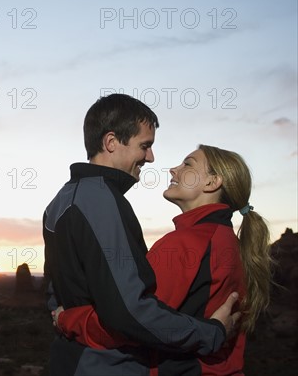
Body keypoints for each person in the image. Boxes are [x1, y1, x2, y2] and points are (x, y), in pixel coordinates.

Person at [43, 94, 240, 375]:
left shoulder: (59, 202)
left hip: (70, 360)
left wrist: (65, 320)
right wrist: (213, 333)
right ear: (111, 142)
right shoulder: (101, 201)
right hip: (107, 365)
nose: (151, 157)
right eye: (144, 146)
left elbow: (54, 292)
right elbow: (130, 313)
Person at [54, 145, 272, 375]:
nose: (173, 170)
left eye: (187, 164)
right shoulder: (228, 242)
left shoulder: (185, 244)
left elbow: (130, 323)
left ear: (212, 182)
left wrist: (68, 320)